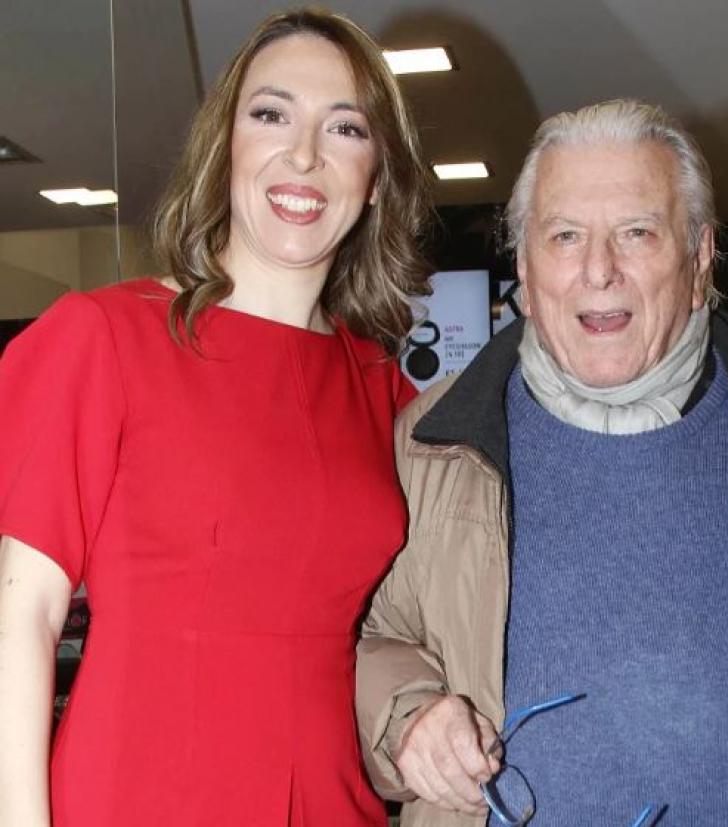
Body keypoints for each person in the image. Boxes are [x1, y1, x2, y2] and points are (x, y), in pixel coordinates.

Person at [355, 100, 728, 826]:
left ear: (700, 255)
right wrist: (407, 714)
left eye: (637, 232)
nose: (599, 270)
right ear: (523, 263)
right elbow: (366, 638)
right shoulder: (428, 445)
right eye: (564, 235)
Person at [0, 8, 431, 826]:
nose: (303, 154)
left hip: (333, 801)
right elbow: (21, 616)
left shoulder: (381, 387)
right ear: (224, 146)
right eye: (271, 114)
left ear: (377, 175)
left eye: (345, 128)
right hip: (140, 797)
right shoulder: (105, 338)